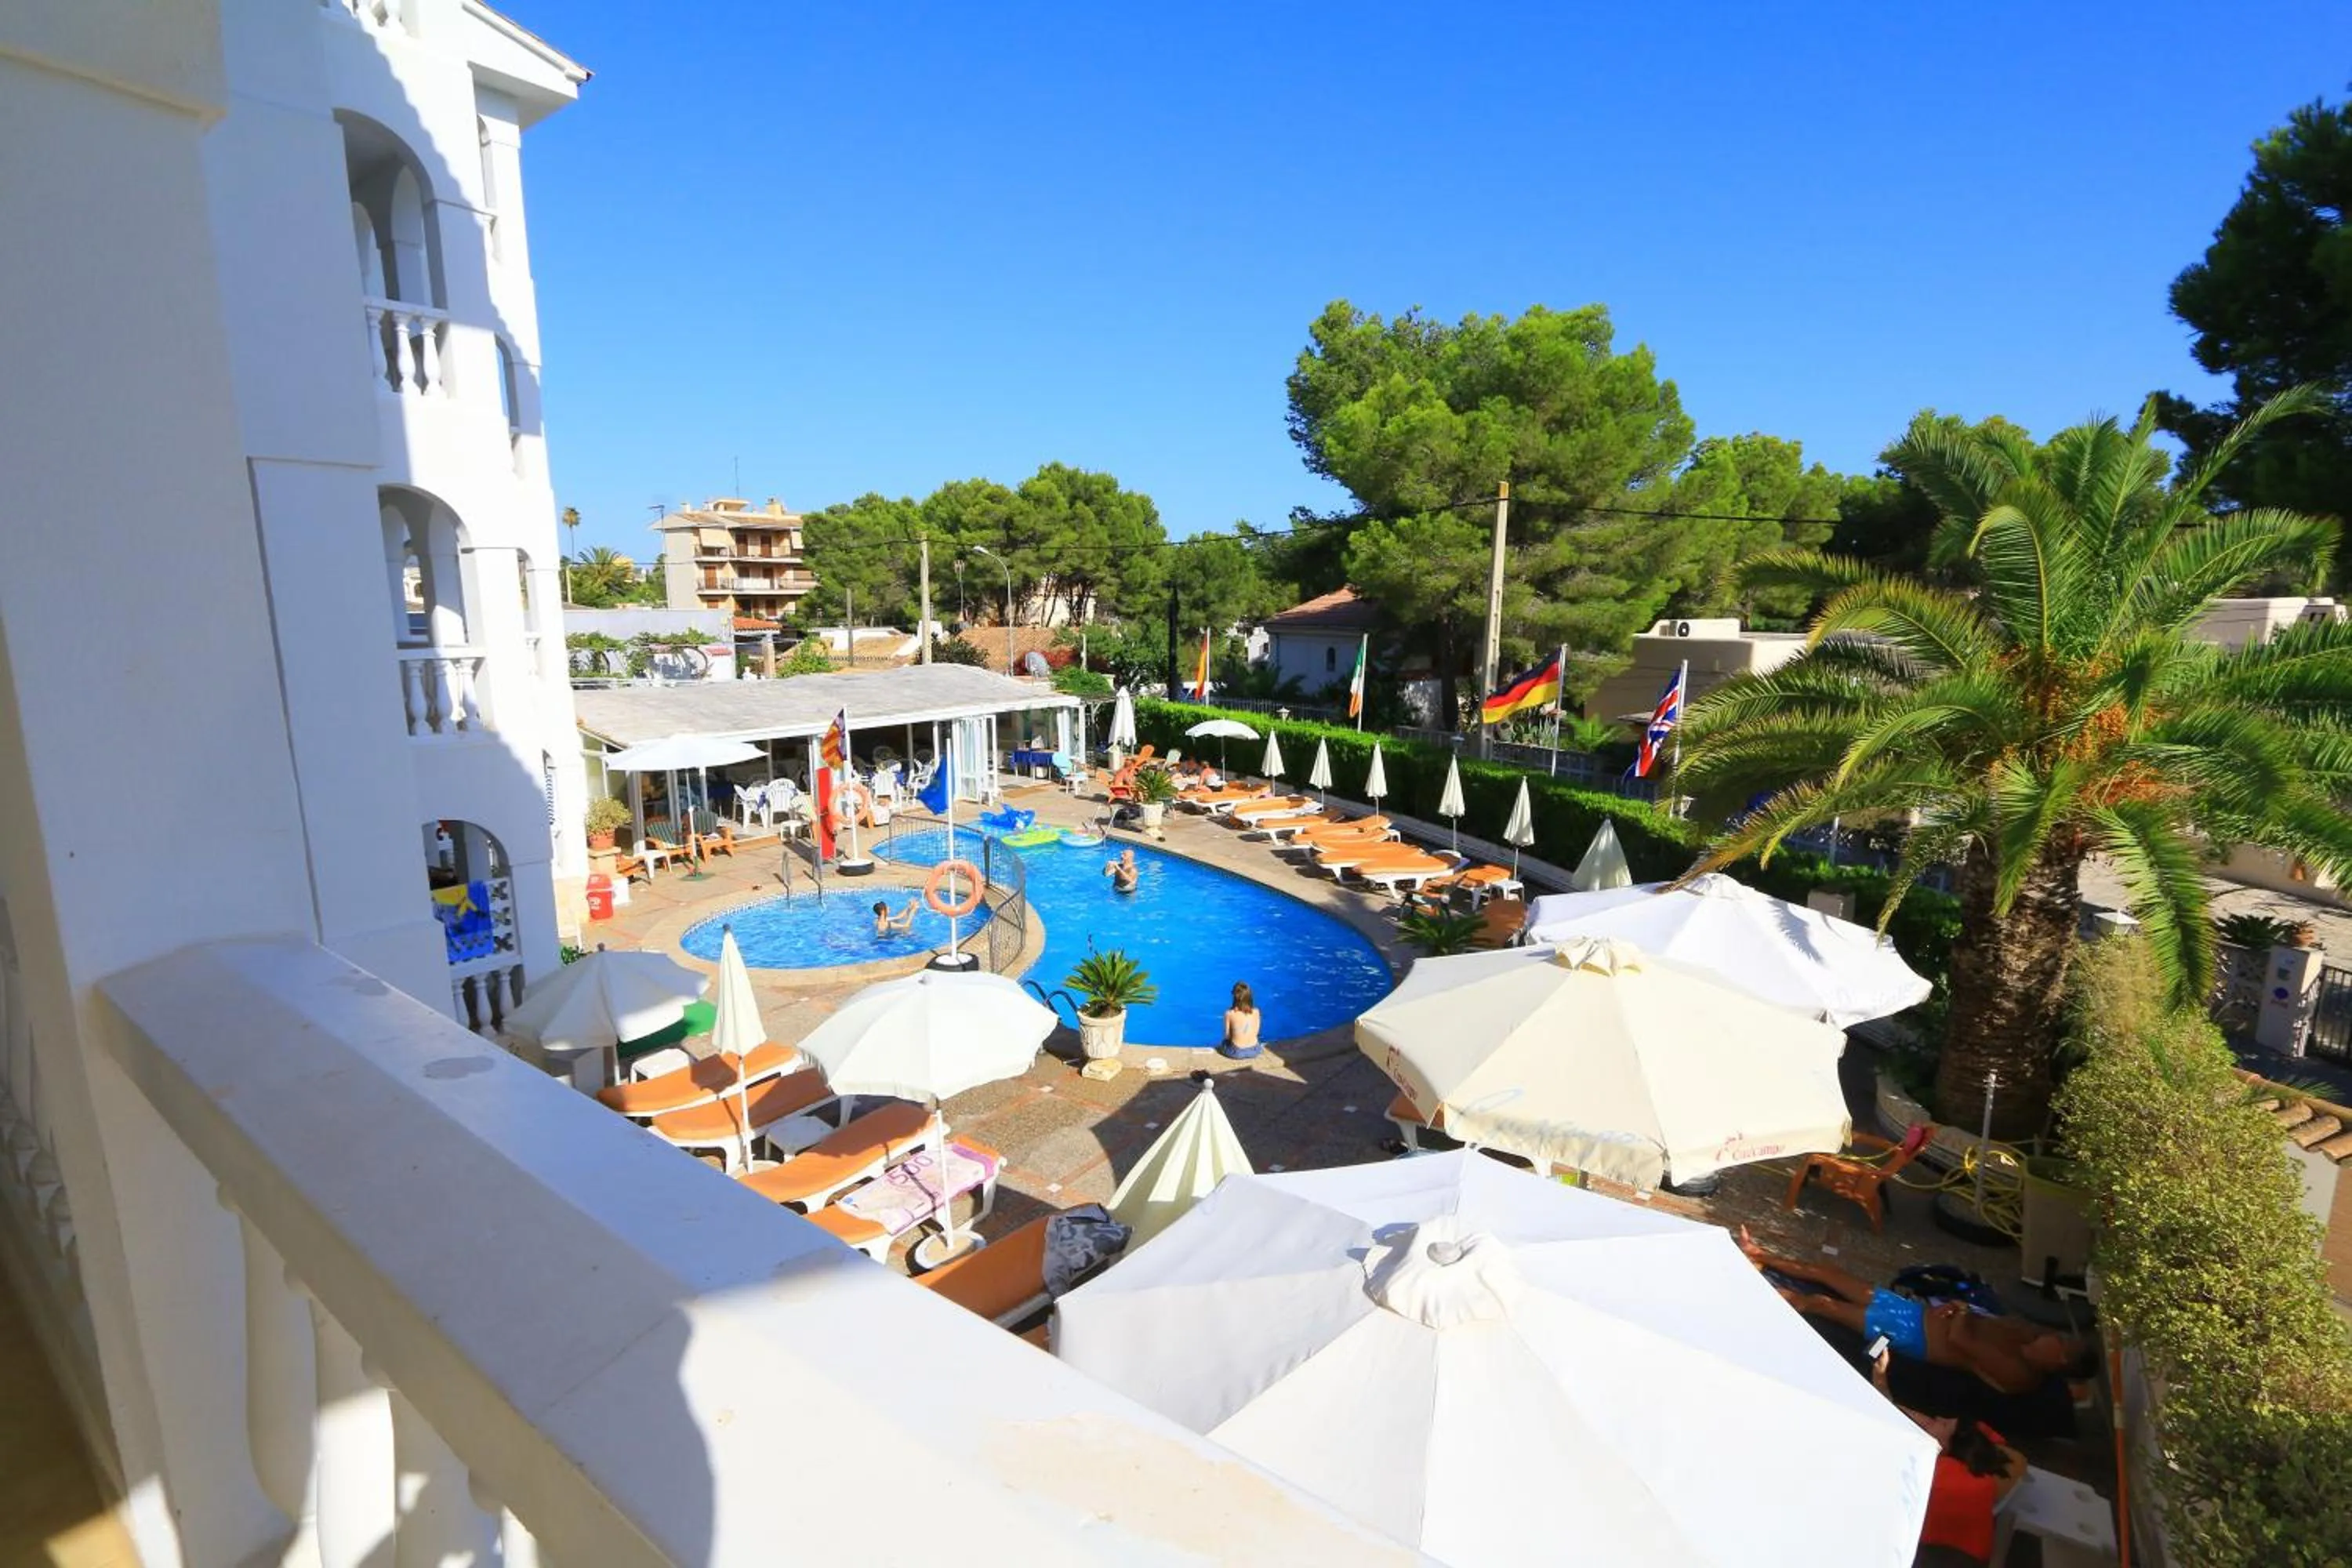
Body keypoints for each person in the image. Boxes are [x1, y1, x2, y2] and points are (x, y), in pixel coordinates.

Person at [1738, 1228, 2084, 1396]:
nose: (2053, 1335)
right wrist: (1960, 1308)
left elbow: (1961, 1341)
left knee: (1820, 1304)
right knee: (1829, 1273)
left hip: (1910, 1335)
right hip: (1912, 1313)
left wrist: (1961, 1310)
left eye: (2060, 1342)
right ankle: (1758, 1254)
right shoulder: (2026, 1335)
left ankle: (1748, 1288)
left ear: (2060, 1361)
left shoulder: (2019, 1374)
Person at [1219, 982, 1262, 1060]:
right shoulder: (1256, 1011)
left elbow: (1227, 1036)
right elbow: (1256, 1032)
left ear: (1235, 997)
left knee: (1224, 1044)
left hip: (1237, 1052)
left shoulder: (1229, 1013)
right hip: (1255, 1050)